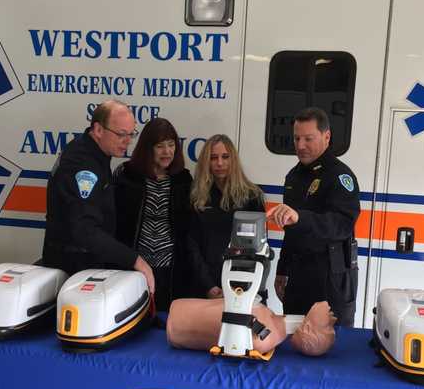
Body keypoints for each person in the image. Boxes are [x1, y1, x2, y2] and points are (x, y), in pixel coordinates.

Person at [42, 100, 155, 294]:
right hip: (73, 269)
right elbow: (85, 230)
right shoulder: (83, 164)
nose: (127, 141)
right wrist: (135, 260)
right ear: (98, 129)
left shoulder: (94, 153)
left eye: (131, 134)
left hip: (84, 263)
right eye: (121, 134)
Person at [267, 107, 360, 326]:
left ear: (326, 137)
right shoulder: (294, 176)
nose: (300, 146)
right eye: (296, 138)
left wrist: (301, 217)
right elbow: (291, 232)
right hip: (298, 277)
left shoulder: (340, 176)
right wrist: (282, 269)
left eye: (308, 138)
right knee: (294, 340)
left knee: (331, 346)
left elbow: (342, 225)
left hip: (330, 278)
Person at [114, 117, 192, 313]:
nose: (167, 152)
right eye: (160, 146)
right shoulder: (126, 175)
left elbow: (188, 229)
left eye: (171, 145)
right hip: (135, 265)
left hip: (171, 268)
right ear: (148, 148)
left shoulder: (183, 179)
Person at [188, 134, 265, 299]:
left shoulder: (252, 196)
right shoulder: (197, 197)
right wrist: (208, 286)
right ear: (206, 162)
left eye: (225, 157)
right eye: (213, 158)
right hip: (206, 284)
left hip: (242, 284)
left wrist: (243, 286)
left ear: (233, 160)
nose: (220, 163)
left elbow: (258, 249)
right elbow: (192, 245)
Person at [166, 298, 336, 357]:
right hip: (180, 318)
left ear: (305, 328)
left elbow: (221, 319)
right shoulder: (269, 326)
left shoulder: (264, 337)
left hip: (178, 324)